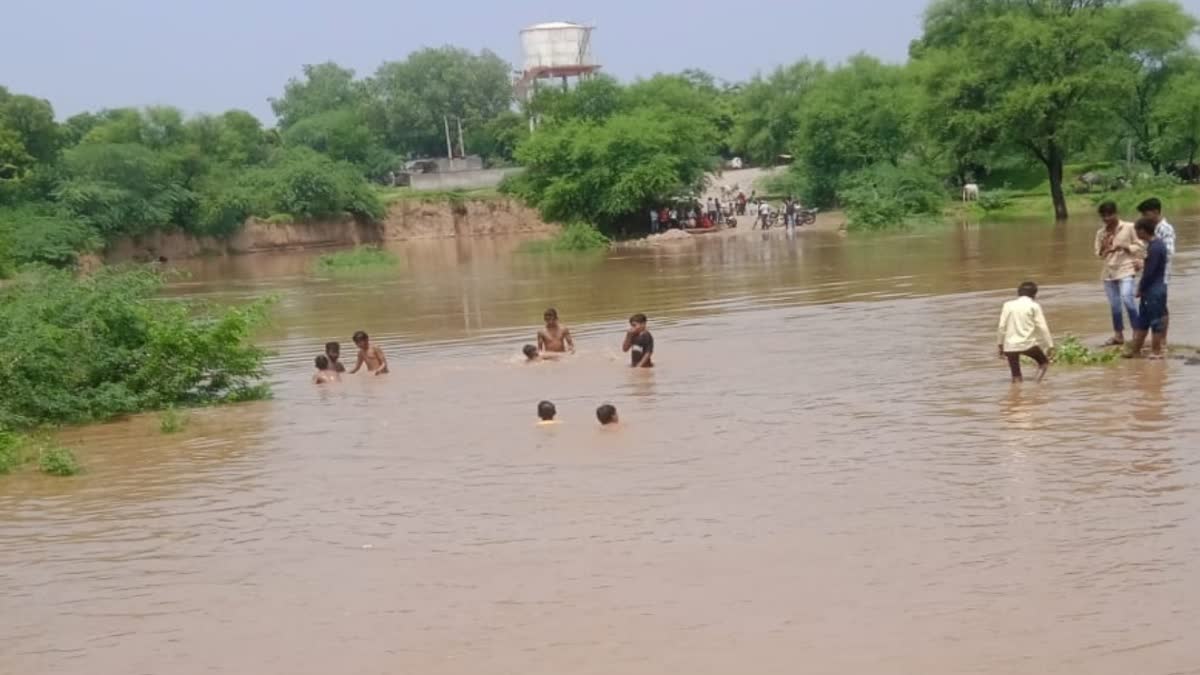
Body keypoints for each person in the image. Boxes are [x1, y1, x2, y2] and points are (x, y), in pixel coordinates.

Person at [1094, 201, 1143, 346]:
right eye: (1104, 216)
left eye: (1109, 215)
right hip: (1109, 271)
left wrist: (1124, 246)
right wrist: (1105, 246)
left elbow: (1140, 246)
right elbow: (1099, 254)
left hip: (1126, 268)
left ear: (1116, 213)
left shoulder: (1129, 227)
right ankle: (1118, 335)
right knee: (1115, 305)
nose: (1107, 219)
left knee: (1128, 299)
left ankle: (1137, 332)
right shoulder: (1101, 232)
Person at [996, 281, 1054, 383]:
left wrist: (1000, 345)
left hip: (1010, 346)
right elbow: (1043, 327)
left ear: (1018, 293)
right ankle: (1035, 387)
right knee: (1044, 363)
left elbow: (1001, 327)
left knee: (1016, 376)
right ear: (1034, 295)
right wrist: (1050, 346)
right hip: (1028, 344)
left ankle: (1017, 393)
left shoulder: (1007, 305)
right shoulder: (1034, 306)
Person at [1129, 218, 1170, 359]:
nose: (1136, 234)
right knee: (1143, 320)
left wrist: (1141, 288)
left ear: (1142, 230)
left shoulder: (1155, 247)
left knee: (1155, 321)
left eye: (1137, 231)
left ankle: (1157, 352)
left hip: (1154, 290)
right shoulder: (1156, 245)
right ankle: (1135, 351)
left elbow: (1149, 272)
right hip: (1154, 289)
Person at [1137, 198, 1176, 285]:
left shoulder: (1166, 229)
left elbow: (1168, 253)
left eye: (1145, 214)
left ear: (1156, 212)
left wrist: (1146, 261)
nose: (1143, 217)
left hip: (1160, 277)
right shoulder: (1150, 229)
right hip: (1150, 275)